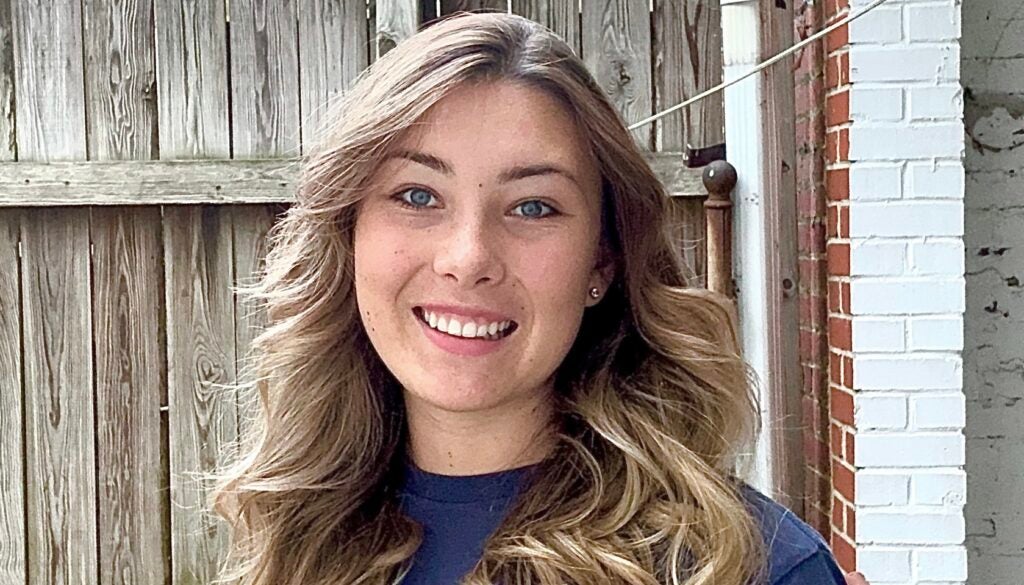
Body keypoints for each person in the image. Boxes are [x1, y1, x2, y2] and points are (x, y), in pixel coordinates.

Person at [213, 12, 865, 585]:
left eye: (533, 206)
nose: (467, 258)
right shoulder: (299, 536)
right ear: (350, 233)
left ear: (602, 260)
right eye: (417, 196)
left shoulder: (745, 565)